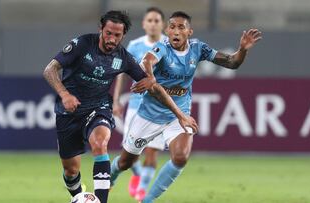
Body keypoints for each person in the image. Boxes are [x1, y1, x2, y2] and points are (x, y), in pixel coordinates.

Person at [43, 10, 197, 203]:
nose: (111, 39)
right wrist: (64, 94)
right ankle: (80, 196)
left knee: (100, 144)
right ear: (101, 29)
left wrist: (179, 113)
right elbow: (50, 69)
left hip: (98, 108)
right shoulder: (82, 44)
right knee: (71, 171)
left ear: (123, 35)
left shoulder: (124, 57)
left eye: (117, 35)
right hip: (69, 111)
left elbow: (154, 87)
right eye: (108, 33)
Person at [110, 11, 262, 203]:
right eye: (172, 26)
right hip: (150, 115)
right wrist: (149, 77)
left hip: (178, 116)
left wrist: (243, 49)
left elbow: (232, 63)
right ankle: (111, 175)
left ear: (189, 32)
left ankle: (147, 200)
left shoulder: (198, 48)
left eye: (181, 27)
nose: (175, 31)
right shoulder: (162, 48)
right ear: (167, 30)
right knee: (125, 162)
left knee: (181, 157)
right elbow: (148, 61)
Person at [112, 7, 167, 201]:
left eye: (156, 20)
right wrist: (116, 100)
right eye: (149, 20)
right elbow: (122, 74)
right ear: (144, 24)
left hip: (159, 106)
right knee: (131, 153)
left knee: (152, 152)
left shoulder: (169, 46)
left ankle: (141, 192)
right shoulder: (134, 46)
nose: (153, 23)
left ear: (163, 24)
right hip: (136, 105)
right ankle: (136, 175)